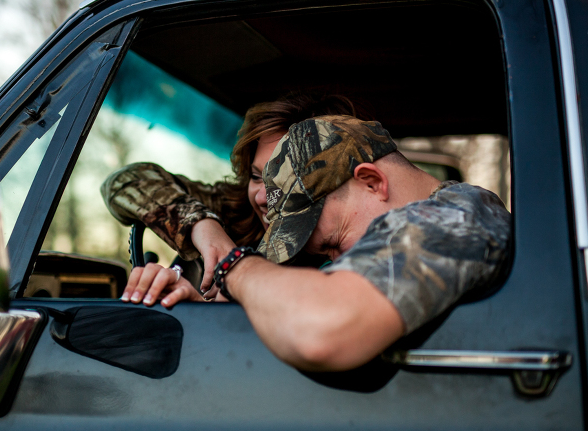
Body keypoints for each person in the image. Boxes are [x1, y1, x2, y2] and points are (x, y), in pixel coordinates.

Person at [122, 115, 511, 372]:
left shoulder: (458, 217)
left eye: (334, 244)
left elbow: (322, 330)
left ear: (372, 181)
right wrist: (209, 317)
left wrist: (232, 266)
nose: (332, 263)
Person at [101, 92, 357, 299]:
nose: (262, 197)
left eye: (284, 180)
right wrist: (202, 225)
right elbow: (124, 181)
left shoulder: (356, 255)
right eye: (256, 177)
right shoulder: (234, 208)